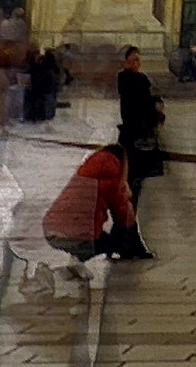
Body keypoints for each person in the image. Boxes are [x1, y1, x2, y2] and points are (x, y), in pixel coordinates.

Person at [44, 141, 152, 261]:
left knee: (101, 237)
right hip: (77, 238)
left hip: (50, 231)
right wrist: (138, 248)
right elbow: (124, 212)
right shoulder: (112, 171)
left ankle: (73, 261)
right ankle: (76, 264)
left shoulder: (88, 169)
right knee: (112, 244)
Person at [115, 46, 164, 206]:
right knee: (130, 175)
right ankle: (126, 214)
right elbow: (139, 101)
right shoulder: (126, 78)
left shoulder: (141, 78)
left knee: (138, 178)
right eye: (133, 59)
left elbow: (150, 97)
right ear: (126, 61)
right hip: (133, 131)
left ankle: (130, 212)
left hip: (144, 130)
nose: (137, 63)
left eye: (138, 60)